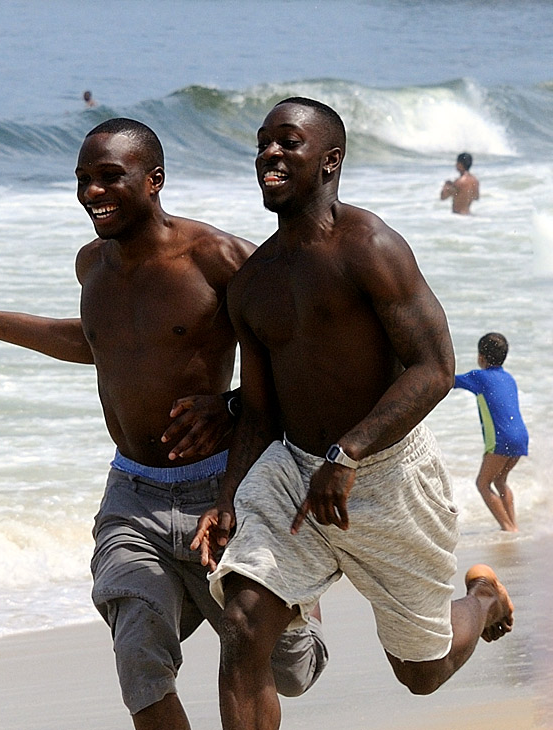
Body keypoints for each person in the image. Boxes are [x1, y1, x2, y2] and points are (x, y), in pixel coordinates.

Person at [0, 118, 327, 730]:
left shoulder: (220, 258)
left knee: (286, 669)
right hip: (131, 494)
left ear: (154, 180)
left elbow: (306, 350)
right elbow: (98, 342)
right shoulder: (92, 265)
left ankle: (301, 613)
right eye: (83, 179)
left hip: (226, 486)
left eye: (110, 177)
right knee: (138, 657)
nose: (91, 192)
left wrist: (234, 404)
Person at [190, 98, 515, 730]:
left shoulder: (370, 247)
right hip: (295, 476)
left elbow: (434, 369)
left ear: (331, 161)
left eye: (288, 143)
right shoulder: (252, 283)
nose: (269, 155)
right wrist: (229, 499)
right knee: (242, 625)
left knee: (421, 674)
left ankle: (481, 599)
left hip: (389, 476)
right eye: (262, 144)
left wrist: (351, 453)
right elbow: (259, 408)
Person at [453, 332, 527, 532]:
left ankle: (508, 528)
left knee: (482, 484)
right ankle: (514, 526)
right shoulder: (509, 378)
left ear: (480, 358)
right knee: (501, 481)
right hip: (521, 438)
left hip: (501, 439)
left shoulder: (479, 377)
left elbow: (448, 381)